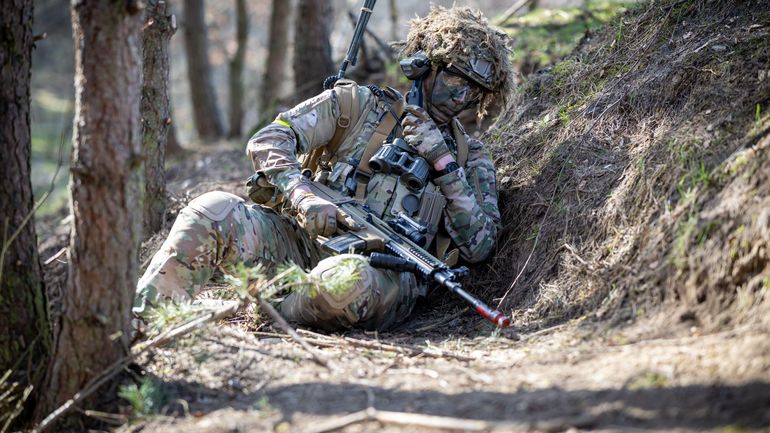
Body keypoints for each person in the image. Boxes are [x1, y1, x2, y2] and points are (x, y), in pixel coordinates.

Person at [134, 6, 514, 331]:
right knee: (213, 210)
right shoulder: (356, 106)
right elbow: (268, 140)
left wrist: (443, 164)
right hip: (301, 244)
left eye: (475, 90)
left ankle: (272, 309)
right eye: (455, 77)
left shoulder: (470, 158)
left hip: (383, 276)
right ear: (424, 66)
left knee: (347, 281)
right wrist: (302, 196)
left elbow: (479, 246)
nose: (462, 96)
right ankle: (143, 325)